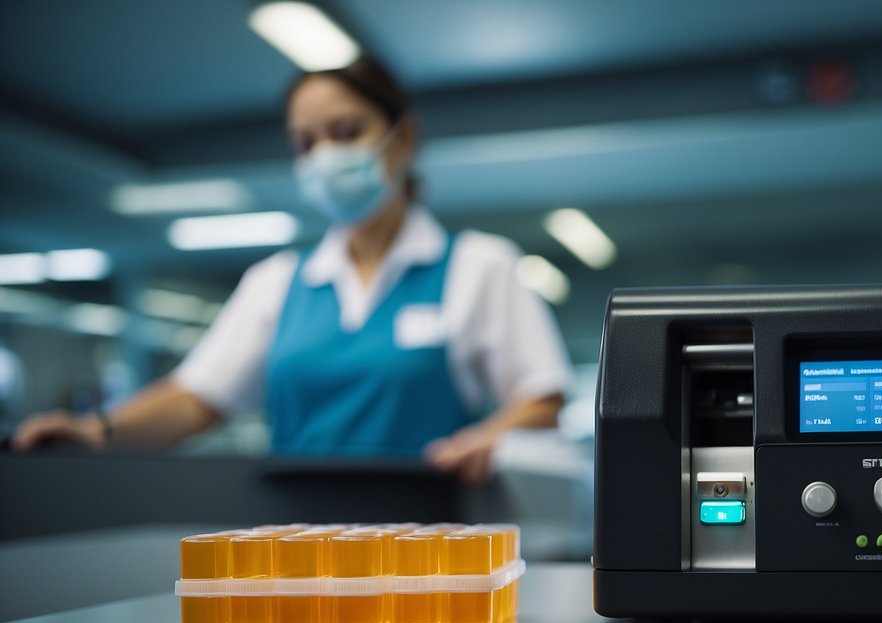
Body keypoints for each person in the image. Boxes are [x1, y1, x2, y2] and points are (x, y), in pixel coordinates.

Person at [13, 57, 571, 485]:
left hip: (427, 544)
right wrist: (98, 430)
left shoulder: (477, 267)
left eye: (346, 132)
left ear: (402, 139)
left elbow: (542, 399)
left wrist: (487, 439)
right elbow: (197, 398)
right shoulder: (276, 281)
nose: (324, 156)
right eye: (306, 142)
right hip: (302, 547)